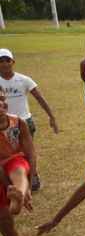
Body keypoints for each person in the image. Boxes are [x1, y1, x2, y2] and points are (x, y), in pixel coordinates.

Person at [0, 48, 58, 191]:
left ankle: (33, 176)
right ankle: (10, 181)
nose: (4, 64)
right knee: (7, 153)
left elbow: (39, 98)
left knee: (27, 151)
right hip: (3, 124)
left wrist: (51, 116)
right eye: (1, 61)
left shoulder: (24, 80)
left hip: (24, 122)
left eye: (7, 60)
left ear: (13, 62)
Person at [0, 93, 34, 218]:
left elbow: (31, 153)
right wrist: (8, 184)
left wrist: (28, 187)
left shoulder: (18, 122)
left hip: (15, 161)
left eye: (2, 99)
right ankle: (18, 196)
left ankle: (17, 199)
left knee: (18, 169)